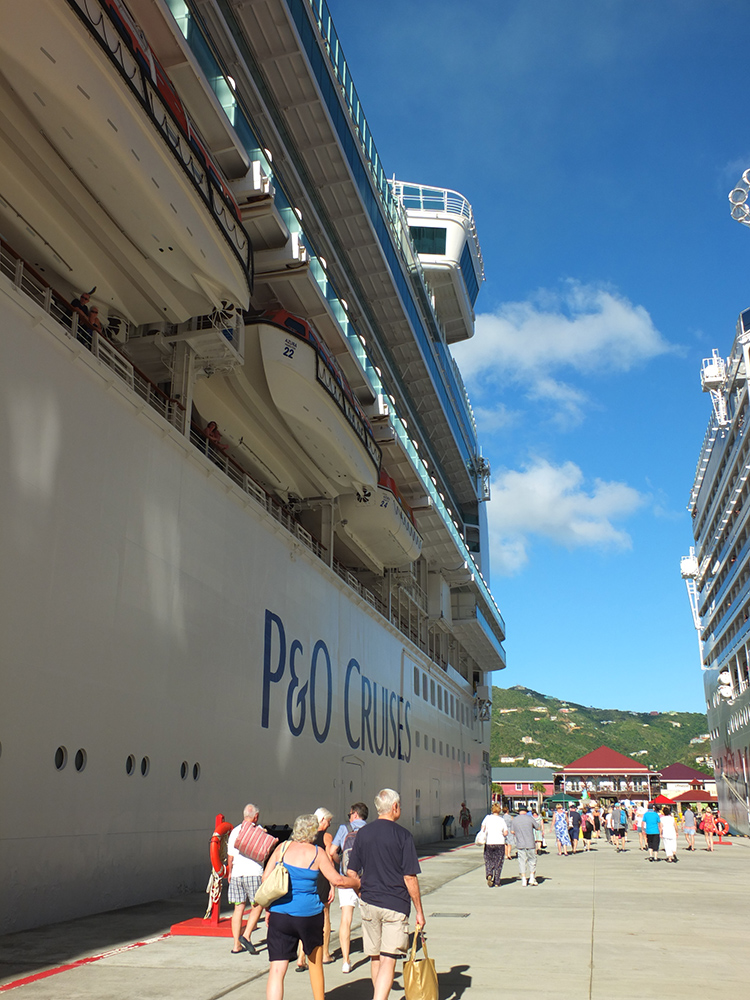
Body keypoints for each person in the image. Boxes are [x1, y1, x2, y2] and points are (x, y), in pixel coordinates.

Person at [263, 814, 359, 1000]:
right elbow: (337, 880)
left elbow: (265, 879)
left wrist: (269, 908)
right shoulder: (317, 853)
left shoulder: (281, 849)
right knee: (315, 963)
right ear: (313, 832)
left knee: (276, 969)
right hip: (309, 916)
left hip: (280, 914)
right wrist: (355, 882)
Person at [346, 789, 425, 1000]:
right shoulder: (403, 836)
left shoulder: (363, 834)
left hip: (370, 902)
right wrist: (419, 911)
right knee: (389, 959)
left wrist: (360, 891)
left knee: (375, 958)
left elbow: (351, 872)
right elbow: (410, 877)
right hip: (395, 904)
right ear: (395, 807)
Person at [329, 802, 368, 974]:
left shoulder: (344, 829)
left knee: (346, 918)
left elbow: (331, 851)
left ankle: (346, 961)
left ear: (354, 814)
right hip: (366, 879)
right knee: (369, 917)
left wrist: (341, 866)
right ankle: (374, 954)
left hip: (346, 879)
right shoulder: (371, 829)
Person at [226, 803, 266, 955]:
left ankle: (236, 944)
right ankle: (247, 935)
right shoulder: (259, 830)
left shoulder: (235, 831)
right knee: (258, 904)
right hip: (253, 873)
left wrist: (230, 872)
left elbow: (230, 856)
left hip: (237, 873)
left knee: (238, 908)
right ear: (256, 817)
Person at [477, 802, 509, 887]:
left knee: (488, 859)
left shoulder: (487, 818)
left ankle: (489, 873)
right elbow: (505, 832)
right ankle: (497, 881)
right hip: (499, 842)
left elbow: (482, 828)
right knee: (498, 862)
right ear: (499, 810)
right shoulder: (501, 820)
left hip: (489, 842)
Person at [510, 804, 541, 886]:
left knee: (522, 861)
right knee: (532, 860)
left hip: (520, 843)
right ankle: (532, 877)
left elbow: (512, 831)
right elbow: (537, 827)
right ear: (526, 811)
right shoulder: (530, 818)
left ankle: (524, 879)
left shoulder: (515, 820)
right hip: (530, 843)